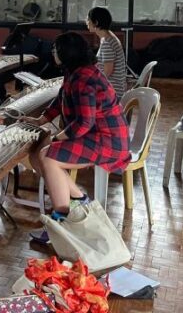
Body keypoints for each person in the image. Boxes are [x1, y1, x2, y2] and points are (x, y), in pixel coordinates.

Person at [21, 32, 130, 243]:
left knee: (49, 156)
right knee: (38, 155)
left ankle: (61, 224)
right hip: (96, 134)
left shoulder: (83, 79)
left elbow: (84, 123)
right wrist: (40, 121)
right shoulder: (76, 72)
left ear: (66, 54)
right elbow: (61, 98)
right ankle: (79, 200)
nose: (53, 52)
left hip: (108, 140)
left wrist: (57, 138)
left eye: (56, 49)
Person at [86, 7, 127, 100]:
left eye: (88, 19)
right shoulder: (107, 37)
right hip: (114, 89)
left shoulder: (107, 42)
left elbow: (107, 72)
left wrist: (91, 81)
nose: (86, 22)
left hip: (113, 93)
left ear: (96, 22)